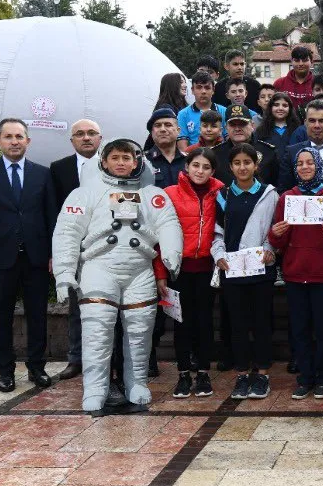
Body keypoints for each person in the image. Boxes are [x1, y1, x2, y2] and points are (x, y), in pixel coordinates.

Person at [53, 138, 182, 414]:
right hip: (99, 268)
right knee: (97, 331)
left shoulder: (151, 194)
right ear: (104, 162)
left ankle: (136, 382)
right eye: (115, 158)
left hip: (139, 271)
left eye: (127, 158)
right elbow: (67, 232)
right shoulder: (85, 194)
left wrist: (172, 252)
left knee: (139, 331)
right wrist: (64, 273)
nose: (121, 163)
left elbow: (168, 223)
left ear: (137, 162)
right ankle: (95, 388)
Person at [0, 118, 58, 392]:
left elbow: (52, 217)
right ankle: (5, 372)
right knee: (2, 317)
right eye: (8, 136)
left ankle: (36, 367)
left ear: (28, 141)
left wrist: (54, 254)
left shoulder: (43, 174)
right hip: (0, 260)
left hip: (36, 258)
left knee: (37, 316)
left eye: (19, 136)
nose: (14, 141)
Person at [268, 144, 323, 399]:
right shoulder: (286, 198)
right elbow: (276, 241)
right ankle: (305, 377)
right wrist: (275, 234)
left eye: (310, 163)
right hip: (294, 273)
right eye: (300, 163)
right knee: (299, 329)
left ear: (318, 165)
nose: (305, 167)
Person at [212, 144, 280, 400]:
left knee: (262, 322)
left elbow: (275, 228)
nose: (242, 167)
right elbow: (217, 232)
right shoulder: (223, 195)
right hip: (232, 269)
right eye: (237, 163)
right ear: (230, 167)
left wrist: (269, 248)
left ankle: (261, 373)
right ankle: (242, 374)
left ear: (256, 165)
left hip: (261, 269)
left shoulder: (269, 194)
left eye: (247, 162)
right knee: (237, 324)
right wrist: (218, 255)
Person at [48, 119, 105, 379]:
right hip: (74, 249)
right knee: (76, 308)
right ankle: (76, 359)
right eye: (79, 134)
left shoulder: (114, 165)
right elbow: (53, 213)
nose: (86, 138)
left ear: (100, 138)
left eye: (91, 133)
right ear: (72, 140)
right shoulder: (58, 169)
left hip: (107, 248)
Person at [163, 148, 223, 399]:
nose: (200, 171)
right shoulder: (169, 194)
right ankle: (184, 373)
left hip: (206, 270)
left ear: (213, 171)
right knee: (181, 323)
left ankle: (203, 372)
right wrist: (160, 274)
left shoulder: (219, 194)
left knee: (204, 322)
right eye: (196, 165)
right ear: (186, 167)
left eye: (206, 167)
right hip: (179, 270)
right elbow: (159, 238)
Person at [178, 72, 227, 147]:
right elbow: (183, 149)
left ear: (213, 90)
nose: (203, 91)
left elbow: (229, 141)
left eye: (207, 88)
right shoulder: (183, 114)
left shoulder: (224, 111)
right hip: (193, 157)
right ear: (192, 90)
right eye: (199, 87)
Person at [144, 108, 188, 191]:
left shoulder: (190, 161)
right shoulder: (142, 163)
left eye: (168, 125)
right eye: (158, 125)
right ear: (152, 132)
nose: (163, 129)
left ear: (178, 131)